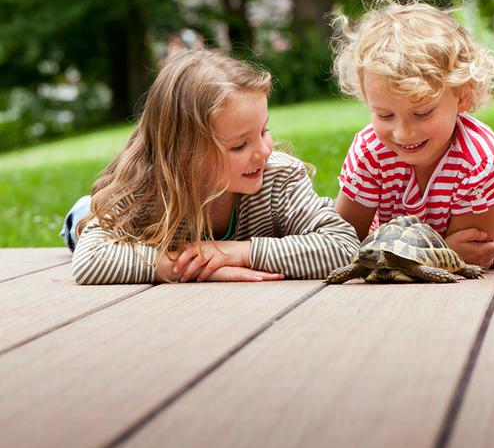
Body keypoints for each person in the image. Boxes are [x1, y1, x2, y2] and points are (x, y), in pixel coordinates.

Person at [64, 49, 358, 284]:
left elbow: (343, 246)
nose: (263, 151)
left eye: (264, 131)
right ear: (184, 155)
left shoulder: (279, 178)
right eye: (239, 146)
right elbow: (92, 259)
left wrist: (238, 253)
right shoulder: (146, 187)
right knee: (86, 217)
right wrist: (196, 267)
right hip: (109, 214)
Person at [332, 0, 494, 268]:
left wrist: (426, 253)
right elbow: (341, 238)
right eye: (384, 115)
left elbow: (473, 254)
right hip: (412, 238)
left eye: (421, 113)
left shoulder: (480, 159)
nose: (403, 133)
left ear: (462, 97)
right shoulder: (369, 150)